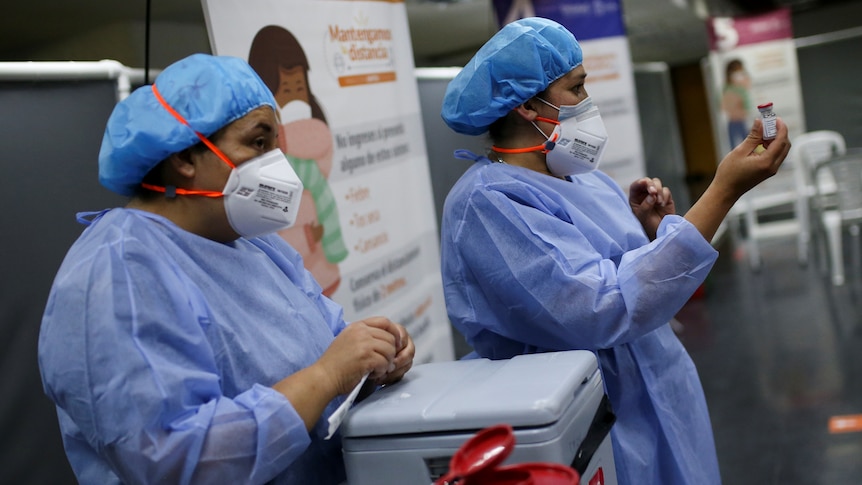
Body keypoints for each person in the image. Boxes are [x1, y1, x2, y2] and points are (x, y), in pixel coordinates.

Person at [439, 18, 790, 485]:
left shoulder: (581, 177)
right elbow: (603, 307)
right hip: (590, 413)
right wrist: (723, 191)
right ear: (526, 104)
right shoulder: (487, 203)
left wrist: (653, 233)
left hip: (658, 383)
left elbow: (629, 276)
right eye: (576, 88)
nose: (588, 103)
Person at [37, 53, 414, 485]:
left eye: (276, 145)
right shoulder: (118, 272)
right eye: (258, 143)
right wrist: (327, 375)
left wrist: (368, 362)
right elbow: (172, 460)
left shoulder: (254, 245)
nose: (277, 164)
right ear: (184, 157)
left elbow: (325, 345)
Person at [722, 58, 753, 149]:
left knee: (749, 145)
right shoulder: (728, 88)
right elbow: (726, 105)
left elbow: (745, 103)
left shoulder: (743, 87)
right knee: (736, 148)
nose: (740, 74)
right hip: (734, 121)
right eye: (737, 70)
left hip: (743, 120)